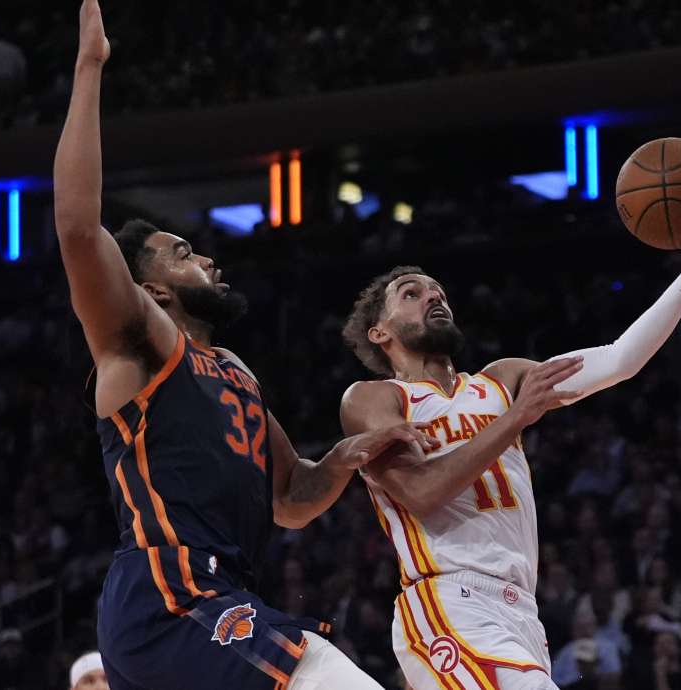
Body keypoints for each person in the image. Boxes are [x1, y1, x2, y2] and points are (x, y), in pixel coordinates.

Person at [52, 2, 436, 689]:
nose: (207, 259)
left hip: (223, 596)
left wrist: (346, 456)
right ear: (153, 290)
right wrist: (89, 68)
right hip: (169, 595)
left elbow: (289, 496)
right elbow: (80, 230)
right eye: (184, 252)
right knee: (323, 672)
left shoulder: (233, 371)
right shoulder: (138, 344)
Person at [340, 181, 681, 690]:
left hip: (522, 615)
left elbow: (619, 360)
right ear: (380, 332)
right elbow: (421, 493)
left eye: (438, 290)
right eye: (412, 293)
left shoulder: (502, 380)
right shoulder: (375, 399)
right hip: (447, 604)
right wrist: (514, 421)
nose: (433, 297)